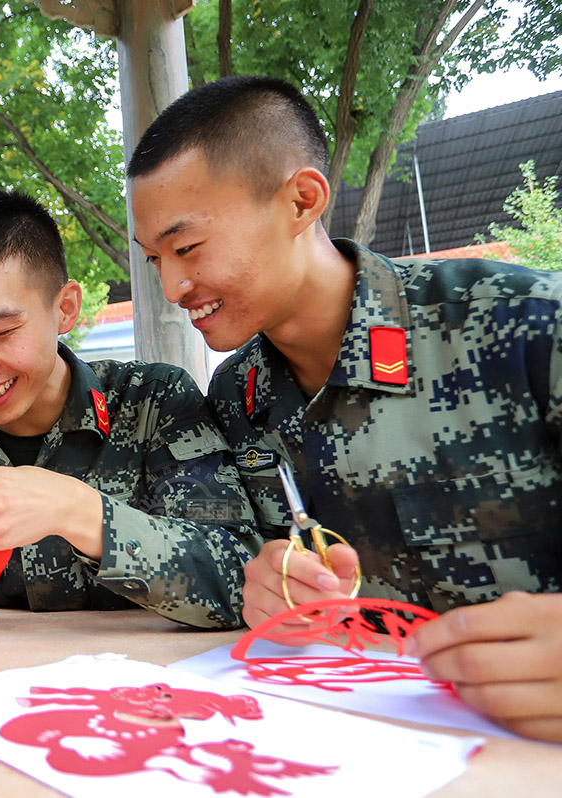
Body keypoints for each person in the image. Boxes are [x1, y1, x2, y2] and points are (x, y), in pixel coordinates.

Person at [127, 74, 562, 741]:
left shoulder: (524, 327)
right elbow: (245, 566)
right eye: (154, 258)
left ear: (303, 200)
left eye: (186, 249)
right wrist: (267, 592)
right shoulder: (237, 398)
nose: (173, 286)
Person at [0, 189, 259, 628]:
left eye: (0, 331)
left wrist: (79, 512)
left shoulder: (153, 401)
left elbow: (243, 579)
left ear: (65, 309)